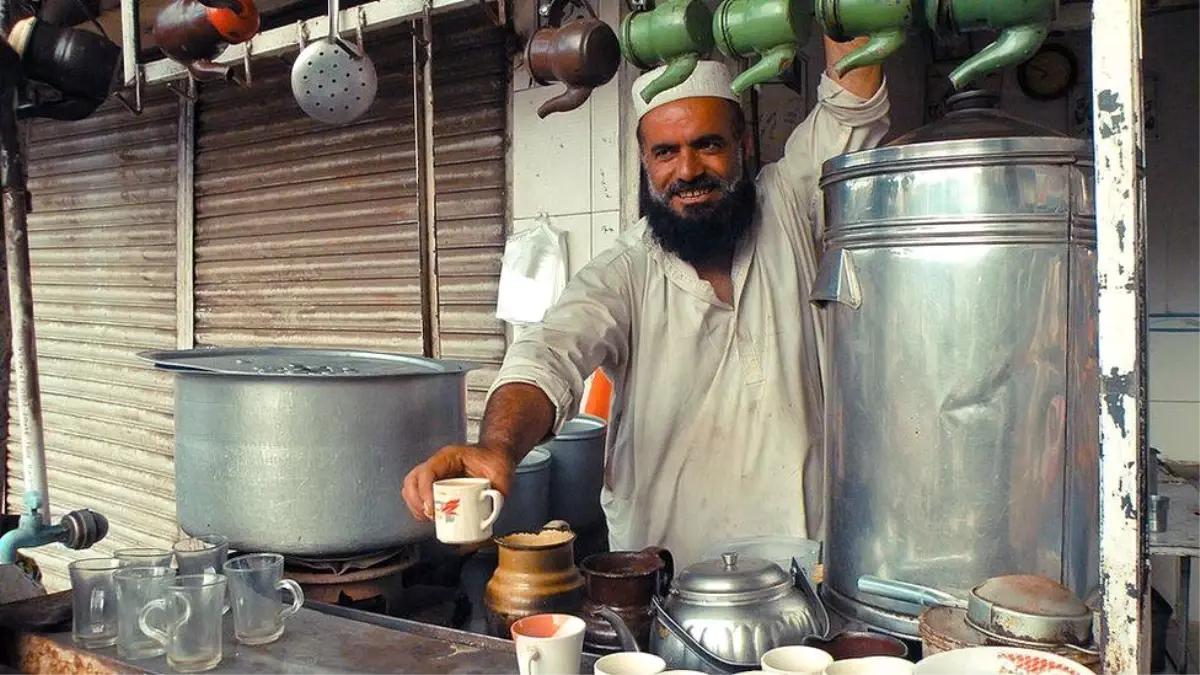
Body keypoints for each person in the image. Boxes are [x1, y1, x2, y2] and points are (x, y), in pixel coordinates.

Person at [403, 37, 889, 567]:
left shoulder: (791, 204)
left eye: (707, 145)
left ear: (741, 145)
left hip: (807, 569)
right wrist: (497, 449)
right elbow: (545, 355)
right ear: (644, 160)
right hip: (667, 582)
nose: (687, 172)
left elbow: (852, 97)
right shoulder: (625, 270)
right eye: (666, 152)